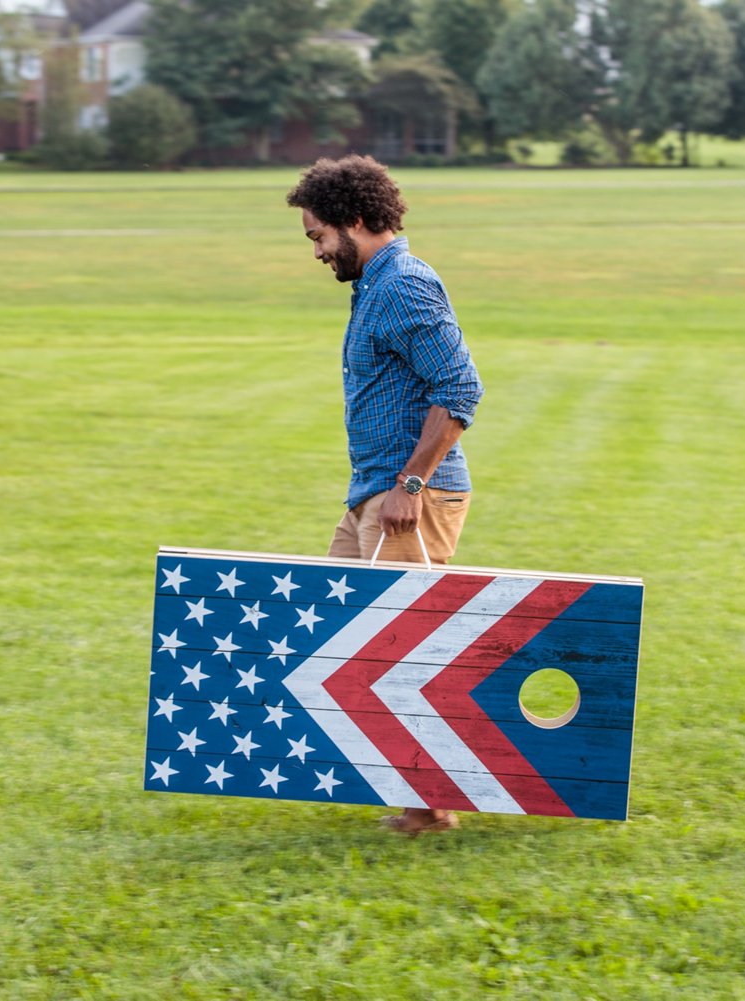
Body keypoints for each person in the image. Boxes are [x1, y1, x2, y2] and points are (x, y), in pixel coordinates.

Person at [286, 155, 484, 836]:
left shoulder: (403, 286)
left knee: (401, 648)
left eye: (319, 236)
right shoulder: (373, 283)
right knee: (345, 634)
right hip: (372, 491)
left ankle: (429, 808)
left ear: (359, 221)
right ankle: (406, 791)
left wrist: (411, 483)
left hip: (409, 496)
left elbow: (460, 392)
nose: (316, 251)